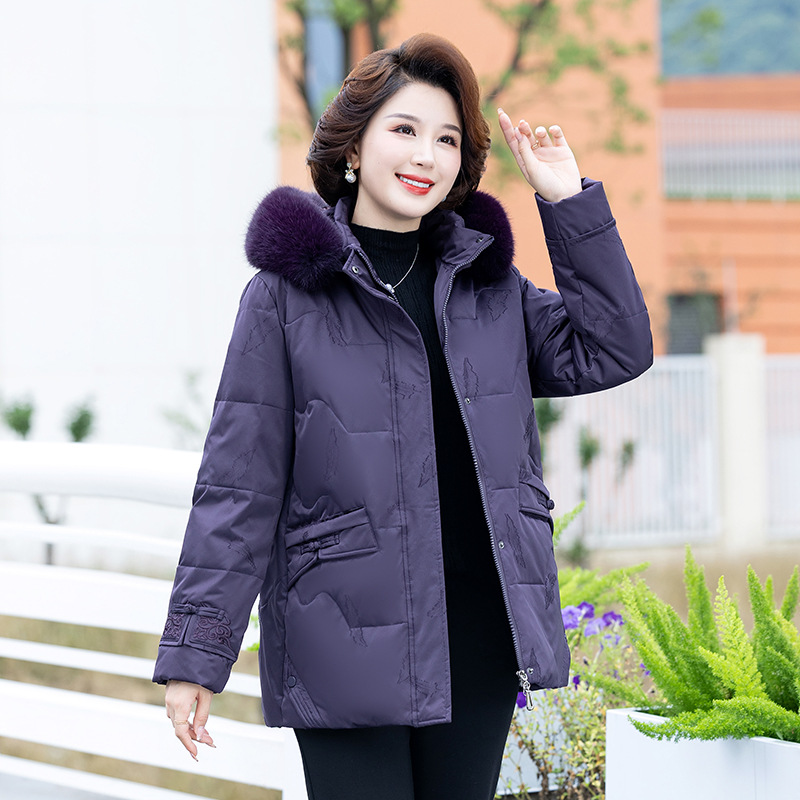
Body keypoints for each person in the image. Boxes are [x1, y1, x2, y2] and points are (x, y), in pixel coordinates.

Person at [153, 32, 652, 800]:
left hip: (479, 633)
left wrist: (566, 203)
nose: (426, 155)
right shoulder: (286, 297)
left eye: (447, 139)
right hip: (343, 636)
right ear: (354, 147)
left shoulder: (490, 288)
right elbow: (237, 486)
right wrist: (196, 654)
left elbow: (614, 349)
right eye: (405, 129)